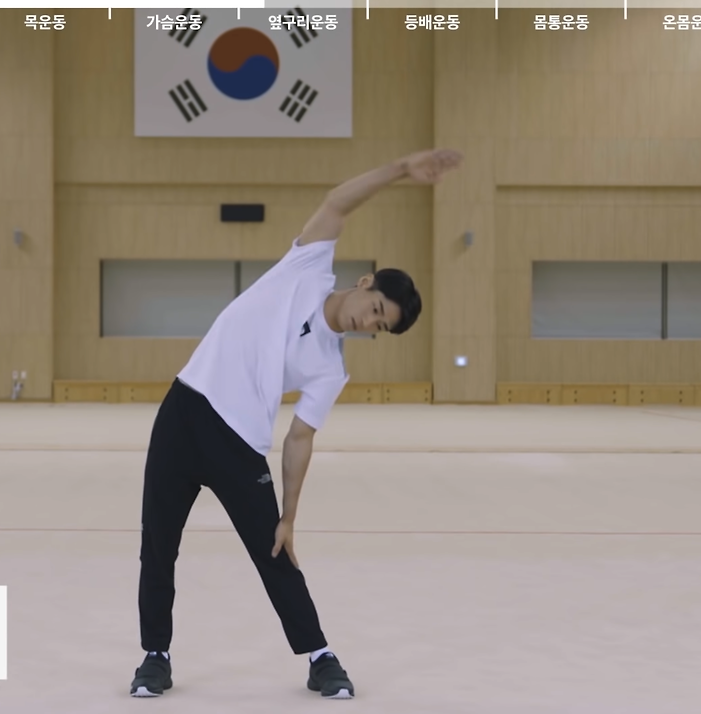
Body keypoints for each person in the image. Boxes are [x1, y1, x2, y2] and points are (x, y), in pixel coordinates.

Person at [129, 148, 463, 699]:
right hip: (183, 412)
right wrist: (402, 170)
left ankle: (319, 657)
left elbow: (300, 437)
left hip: (239, 443)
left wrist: (289, 515)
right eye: (376, 310)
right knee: (158, 546)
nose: (369, 323)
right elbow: (338, 203)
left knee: (276, 554)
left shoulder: (332, 369)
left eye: (380, 327)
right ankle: (154, 656)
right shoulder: (307, 266)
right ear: (366, 283)